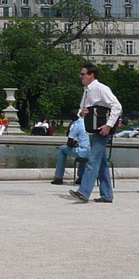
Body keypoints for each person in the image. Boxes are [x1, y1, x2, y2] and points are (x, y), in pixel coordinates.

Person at [69, 65, 122, 203]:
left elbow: (117, 106)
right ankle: (106, 194)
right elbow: (81, 109)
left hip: (101, 130)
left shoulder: (101, 88)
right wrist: (83, 112)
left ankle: (84, 191)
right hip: (92, 129)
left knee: (93, 161)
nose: (81, 76)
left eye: (83, 74)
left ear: (92, 75)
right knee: (102, 163)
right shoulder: (87, 90)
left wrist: (109, 125)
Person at [52, 115, 90, 185]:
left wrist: (73, 145)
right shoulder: (91, 123)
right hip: (94, 152)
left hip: (83, 152)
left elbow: (69, 142)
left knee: (62, 149)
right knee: (84, 149)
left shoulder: (78, 124)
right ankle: (81, 177)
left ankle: (58, 177)